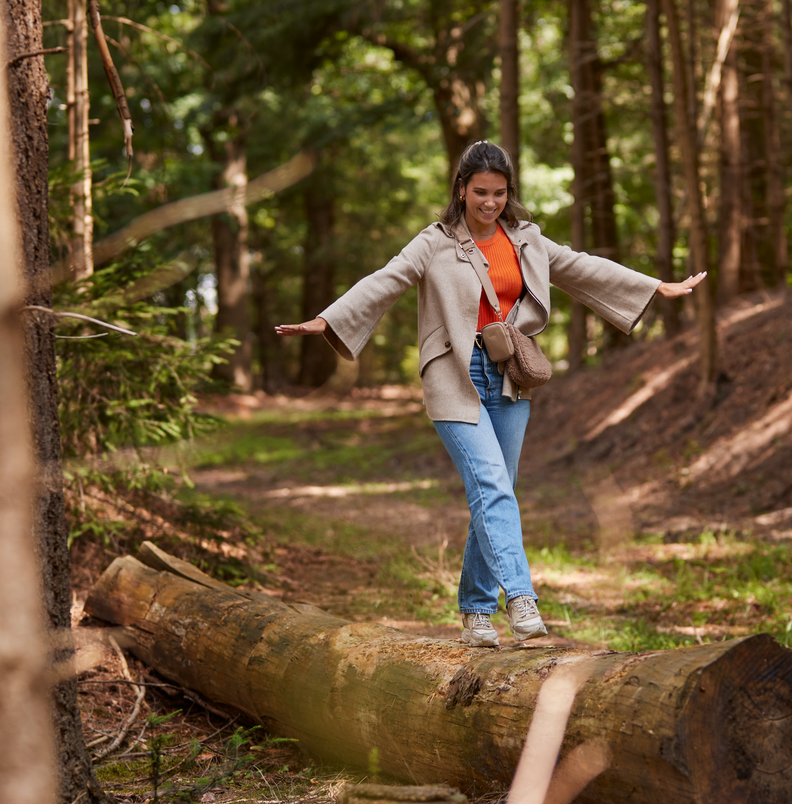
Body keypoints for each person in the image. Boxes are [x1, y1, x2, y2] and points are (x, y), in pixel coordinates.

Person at [276, 141, 706, 647]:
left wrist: (654, 285)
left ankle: (475, 611)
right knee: (492, 486)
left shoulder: (526, 238)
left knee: (497, 488)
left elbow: (582, 266)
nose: (490, 202)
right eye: (480, 192)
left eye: (500, 193)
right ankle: (521, 600)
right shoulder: (433, 242)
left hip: (508, 373)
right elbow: (386, 280)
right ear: (460, 189)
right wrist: (327, 319)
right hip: (453, 373)